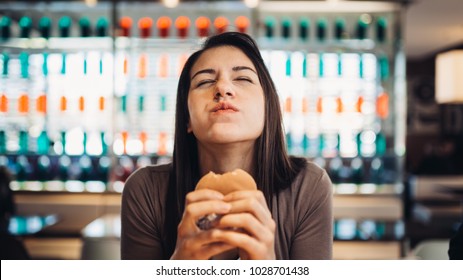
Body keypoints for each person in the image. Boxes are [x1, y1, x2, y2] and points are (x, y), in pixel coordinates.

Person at [121, 32, 333, 260]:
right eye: (204, 81)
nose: (222, 88)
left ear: (268, 107)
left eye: (242, 78)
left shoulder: (308, 187)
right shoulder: (145, 190)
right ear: (187, 119)